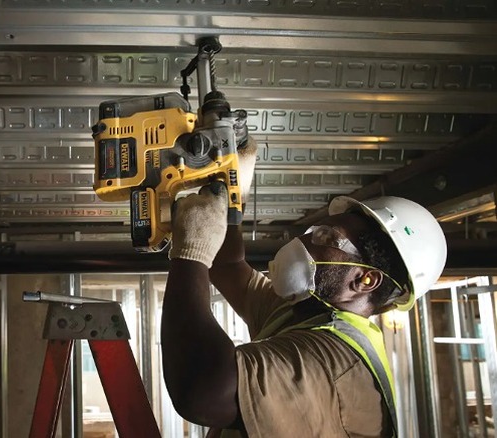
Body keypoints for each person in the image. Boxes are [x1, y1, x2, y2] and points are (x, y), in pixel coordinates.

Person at [160, 141, 447, 437]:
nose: (306, 239)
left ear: (365, 280)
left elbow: (201, 391)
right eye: (316, 230)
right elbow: (229, 267)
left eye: (327, 236)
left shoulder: (337, 363)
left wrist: (190, 253)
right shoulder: (306, 313)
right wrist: (232, 192)